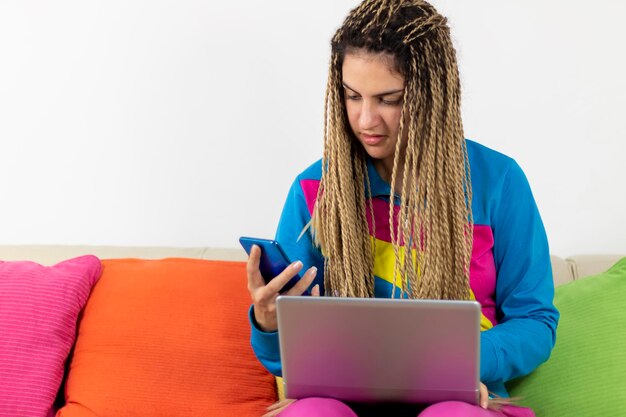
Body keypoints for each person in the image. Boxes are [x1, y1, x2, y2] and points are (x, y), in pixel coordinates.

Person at [246, 0, 559, 416]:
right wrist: (269, 324)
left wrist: (461, 362)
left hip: (459, 399)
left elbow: (536, 321)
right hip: (341, 401)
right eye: (352, 96)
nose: (365, 119)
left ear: (433, 96)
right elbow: (289, 352)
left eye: (389, 99)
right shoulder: (313, 189)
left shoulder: (498, 182)